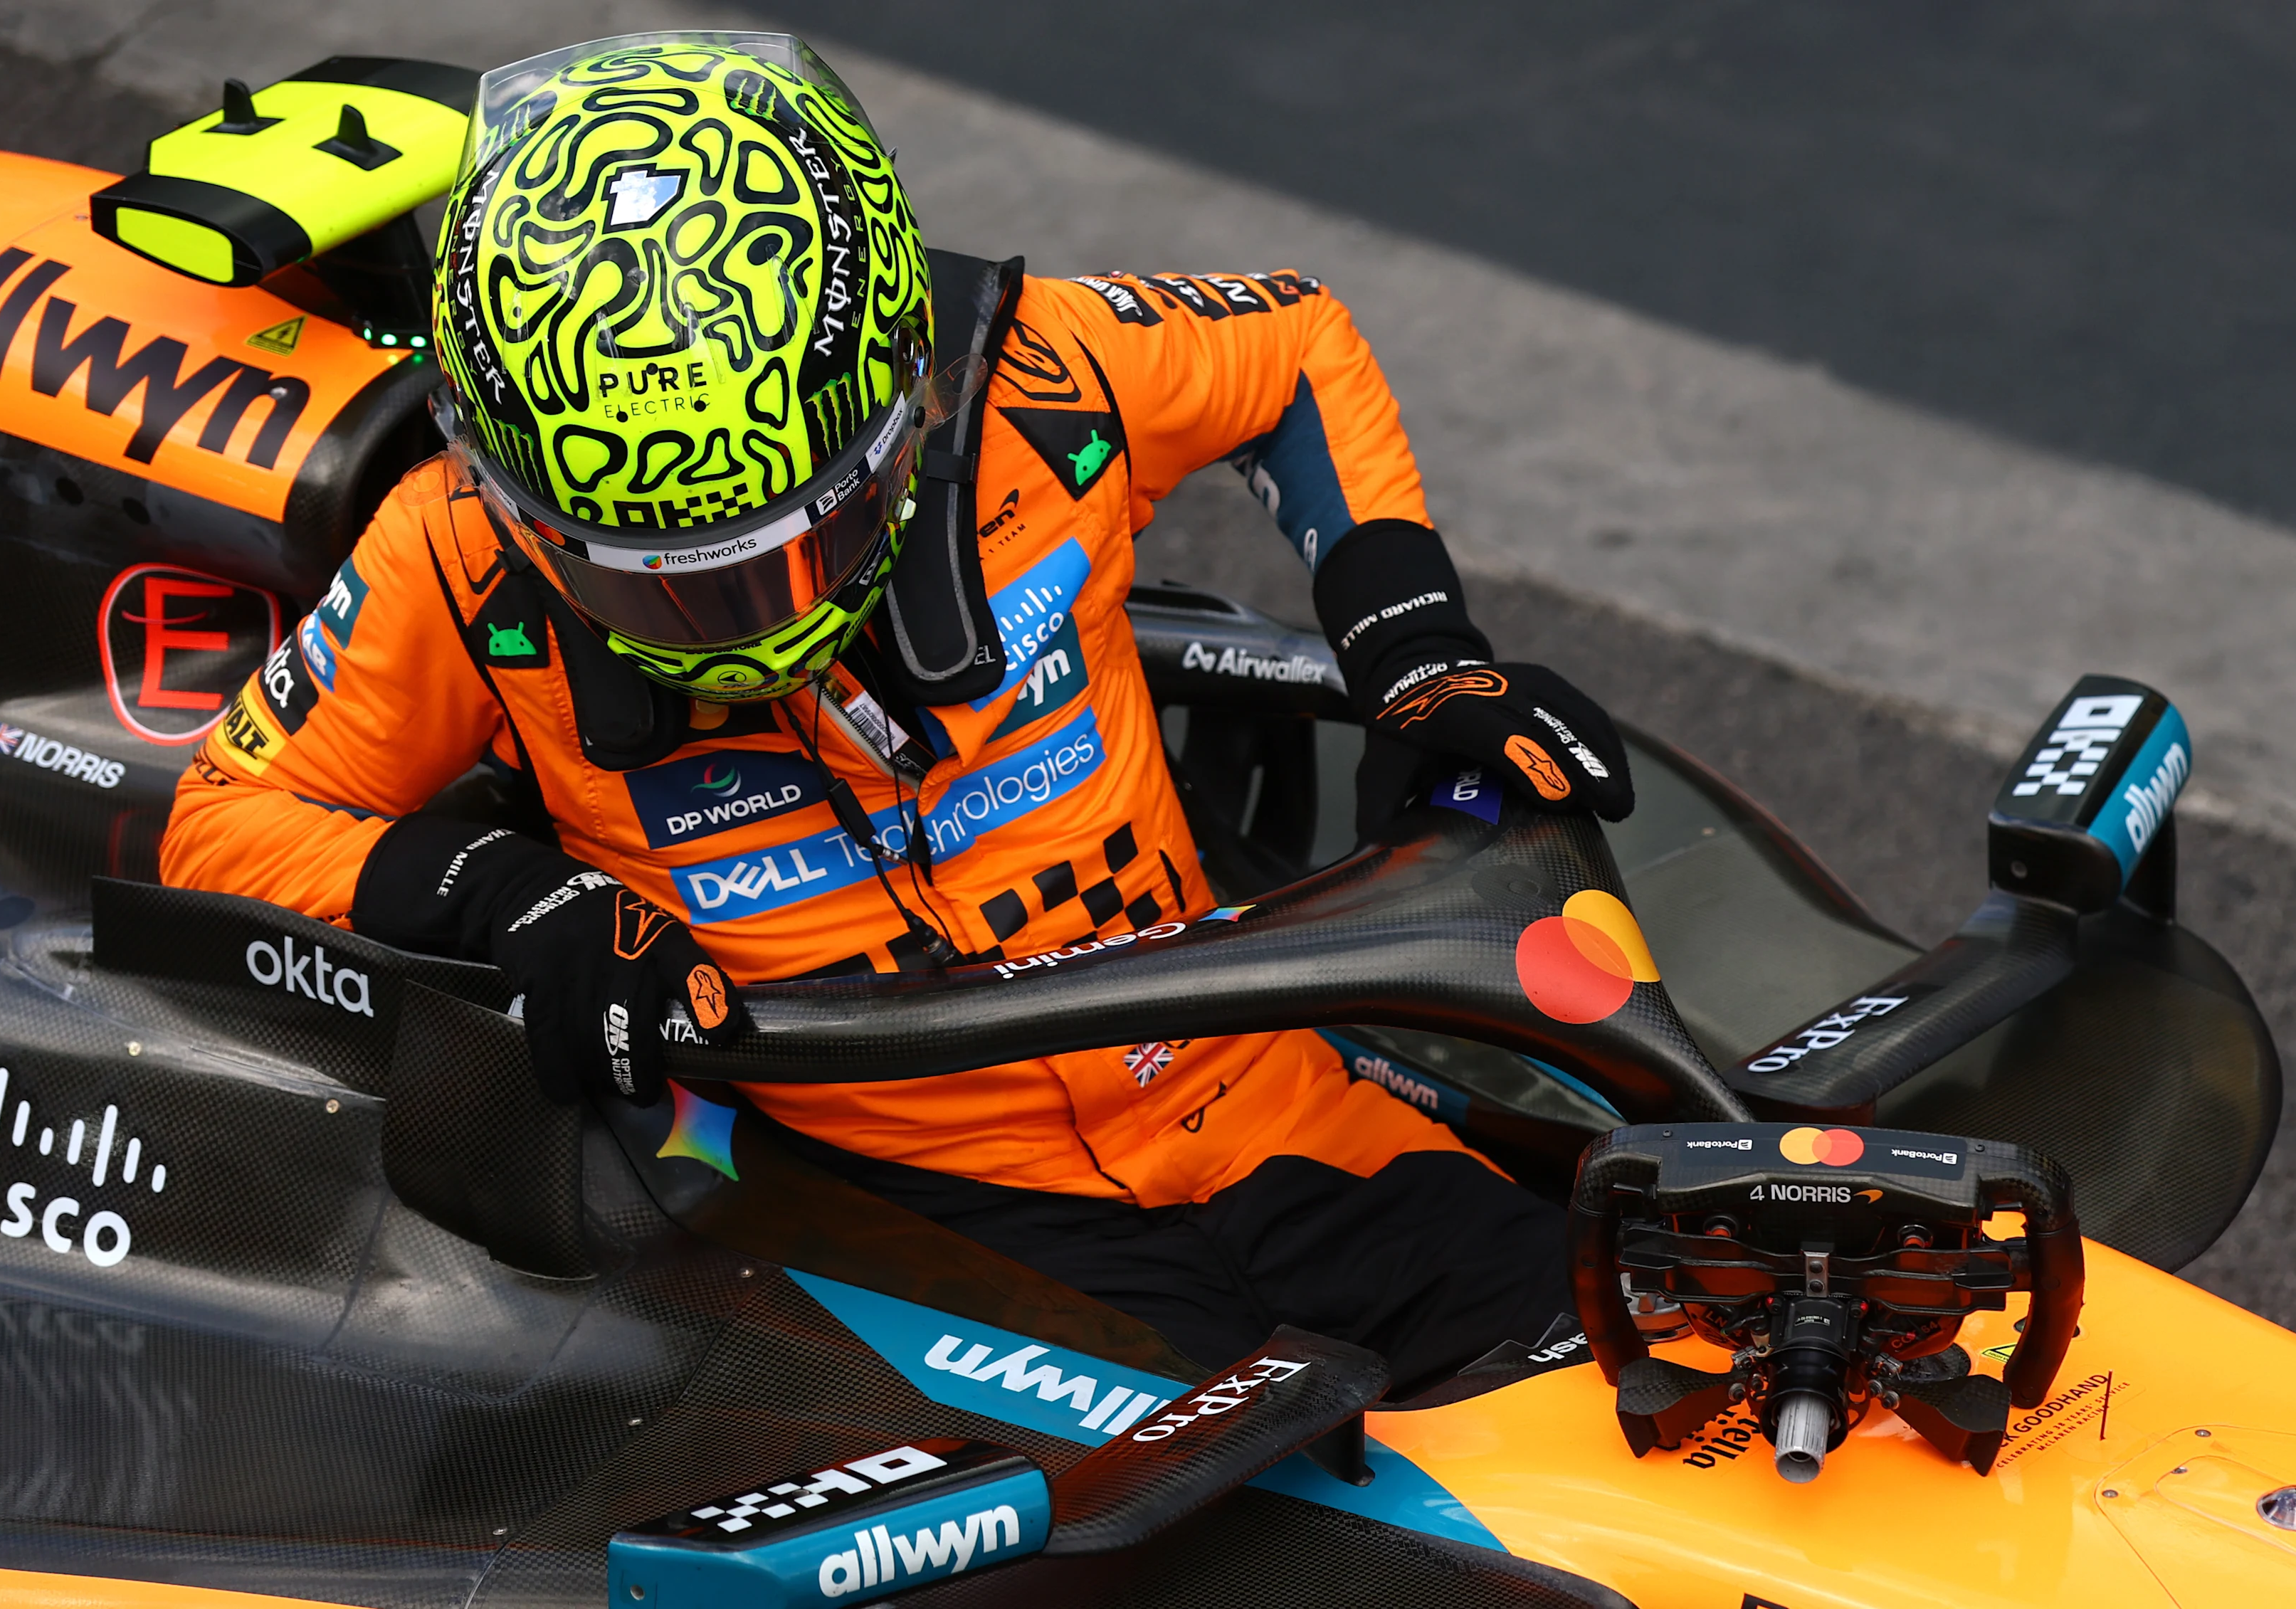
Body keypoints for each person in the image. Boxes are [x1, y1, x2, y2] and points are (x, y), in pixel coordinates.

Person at [160, 31, 1635, 1392]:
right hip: (942, 1220)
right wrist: (509, 894)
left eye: (788, 548)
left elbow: (1296, 341)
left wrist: (1411, 642)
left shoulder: (1042, 375)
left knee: (1660, 1394)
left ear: (902, 397)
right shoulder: (448, 546)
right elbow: (225, 822)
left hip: (1273, 1101)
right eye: (668, 583)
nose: (744, 621)